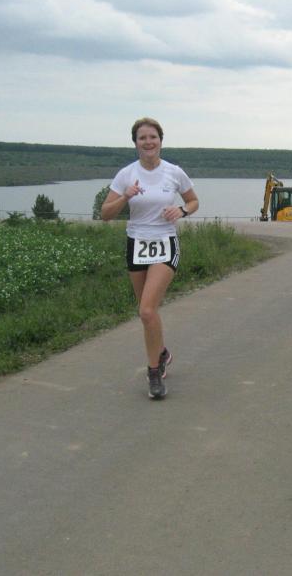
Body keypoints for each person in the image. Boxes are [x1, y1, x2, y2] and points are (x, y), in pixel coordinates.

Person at [100, 117, 199, 400]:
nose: (148, 142)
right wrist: (125, 197)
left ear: (160, 141)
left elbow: (193, 201)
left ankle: (154, 372)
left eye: (152, 137)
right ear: (135, 143)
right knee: (147, 313)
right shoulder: (126, 174)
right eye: (142, 138)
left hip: (165, 243)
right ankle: (162, 353)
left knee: (146, 310)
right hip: (137, 243)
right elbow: (105, 214)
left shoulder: (174, 172)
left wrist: (182, 211)